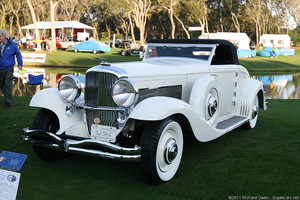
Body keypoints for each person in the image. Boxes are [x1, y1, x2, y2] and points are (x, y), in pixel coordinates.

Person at [0, 29, 23, 109]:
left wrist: (20, 64)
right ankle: (6, 95)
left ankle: (8, 103)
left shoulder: (12, 44)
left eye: (0, 36)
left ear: (4, 36)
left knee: (7, 85)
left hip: (8, 68)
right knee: (2, 86)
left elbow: (18, 54)